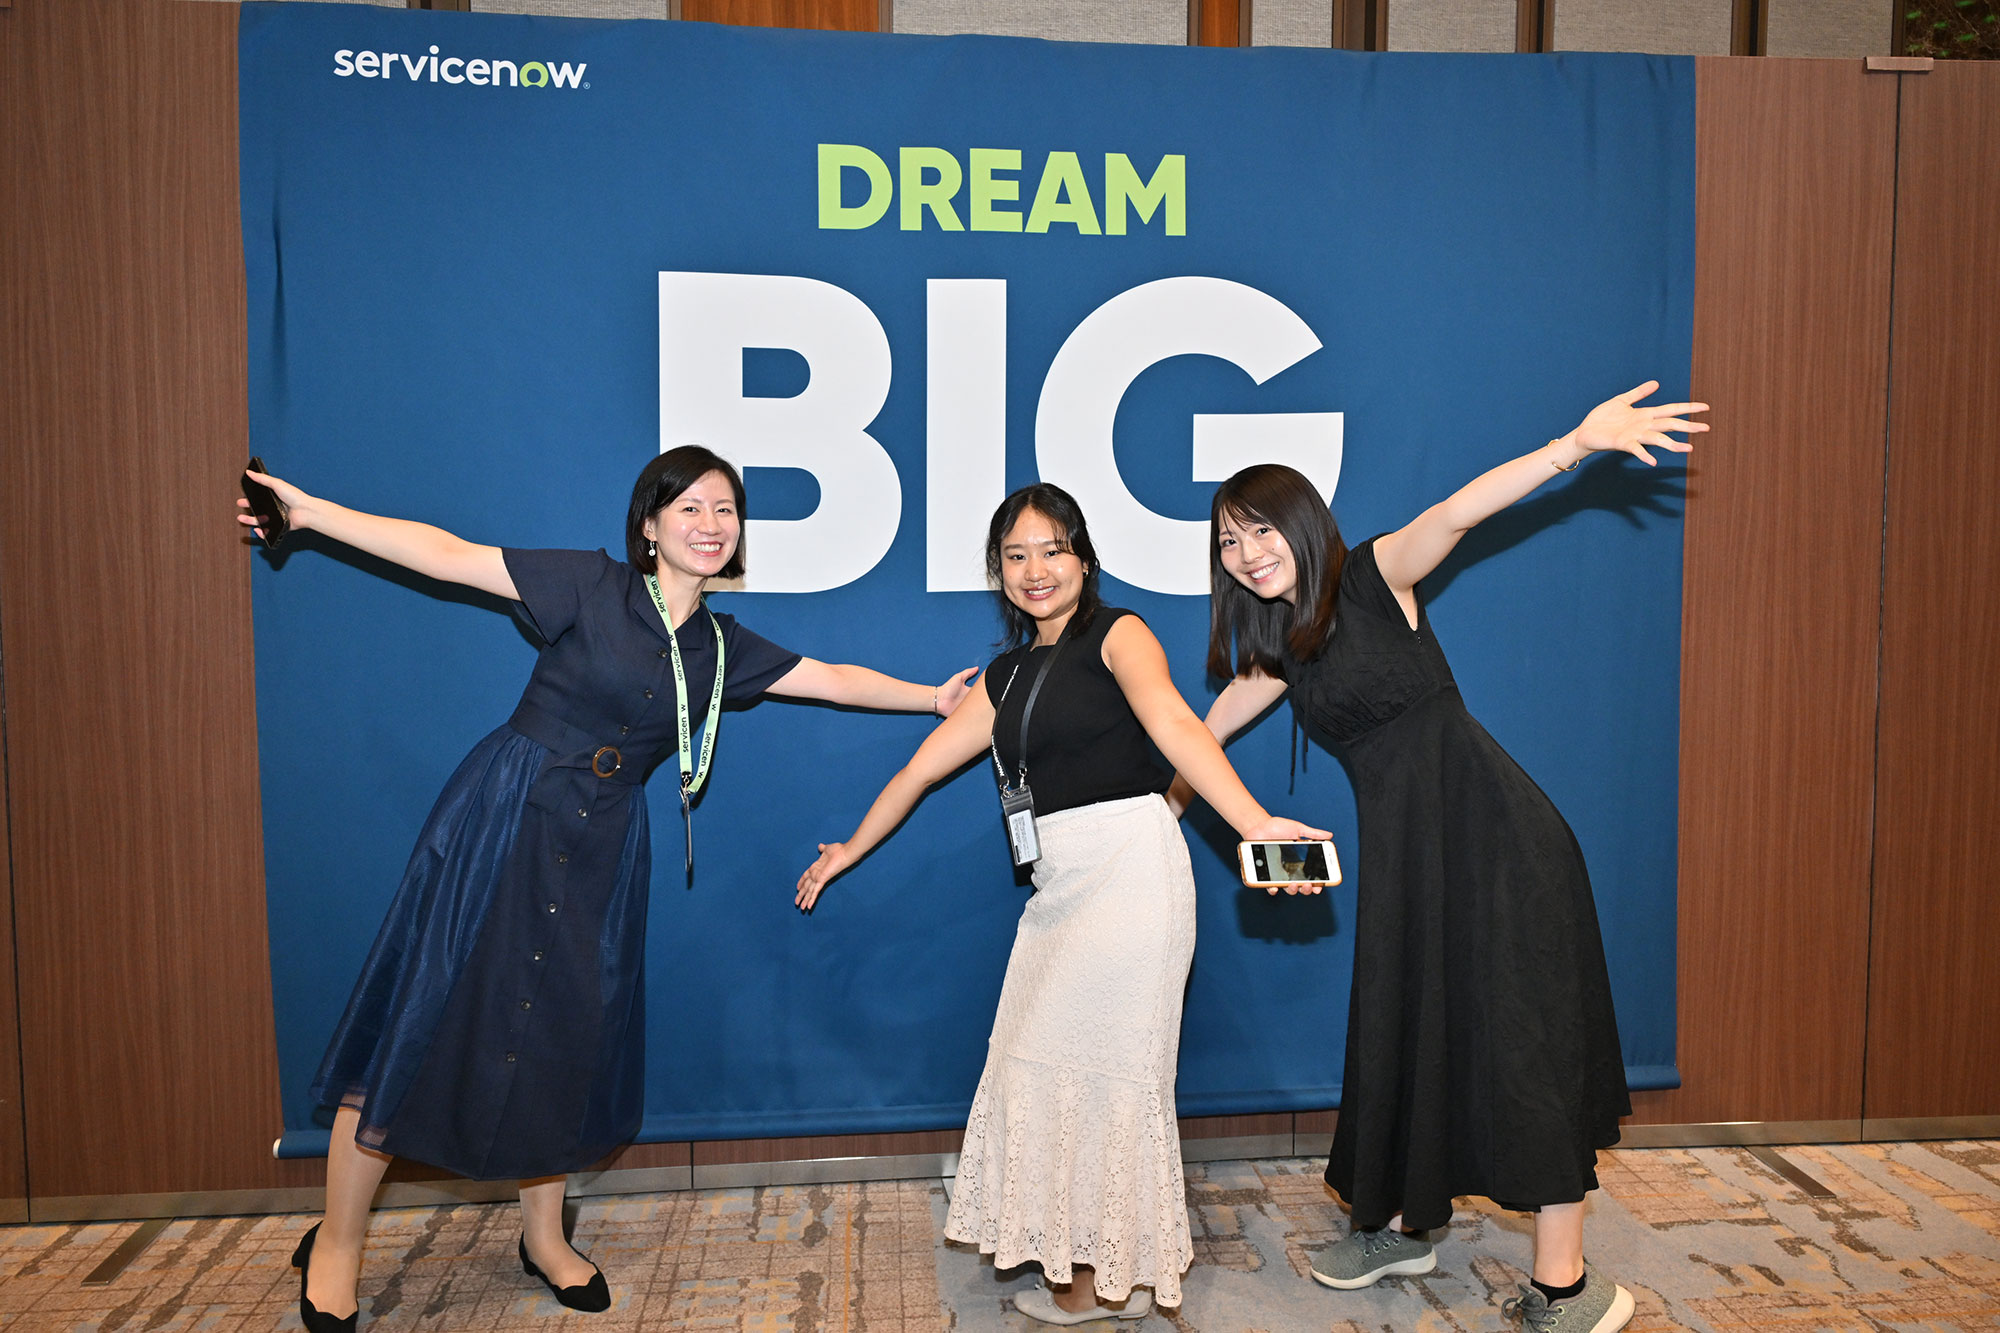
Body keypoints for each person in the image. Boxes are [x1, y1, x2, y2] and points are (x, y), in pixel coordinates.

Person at [236, 445, 975, 1332]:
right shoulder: (590, 586)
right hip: (509, 817)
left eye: (726, 510)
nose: (711, 524)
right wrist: (311, 512)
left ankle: (543, 1238)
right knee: (421, 1017)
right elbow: (447, 553)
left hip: (604, 847)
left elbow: (829, 678)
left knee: (562, 1038)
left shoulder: (719, 645)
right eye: (691, 507)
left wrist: (932, 699)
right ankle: (340, 1243)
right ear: (650, 526)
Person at [1174, 383, 1706, 1333]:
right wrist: (1164, 802)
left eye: (1260, 530)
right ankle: (1405, 1226)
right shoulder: (1282, 650)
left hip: (1500, 842)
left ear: (1303, 526)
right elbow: (1204, 732)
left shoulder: (1378, 574)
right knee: (1401, 1031)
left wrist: (1573, 442)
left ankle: (1567, 1289)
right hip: (1413, 864)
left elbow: (1459, 509)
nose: (1247, 553)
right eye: (1228, 541)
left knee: (1522, 1044)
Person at [794, 483, 1329, 1325]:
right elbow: (923, 768)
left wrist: (1256, 824)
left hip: (1132, 870)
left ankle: (1095, 1277)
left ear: (1084, 558)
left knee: (1109, 1074)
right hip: (1058, 887)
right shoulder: (1005, 674)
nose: (1035, 569)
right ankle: (1085, 1268)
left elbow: (1177, 728)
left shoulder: (1121, 634)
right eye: (1015, 555)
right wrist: (852, 846)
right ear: (998, 572)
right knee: (1036, 1065)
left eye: (1052, 550)